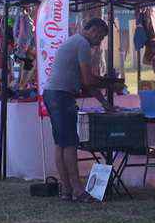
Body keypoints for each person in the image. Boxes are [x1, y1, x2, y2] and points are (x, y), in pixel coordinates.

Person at [43, 18, 114, 202]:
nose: (100, 40)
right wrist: (110, 82)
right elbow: (88, 80)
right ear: (92, 30)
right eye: (100, 35)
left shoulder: (74, 40)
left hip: (52, 94)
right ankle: (77, 190)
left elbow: (86, 83)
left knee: (61, 143)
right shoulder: (82, 44)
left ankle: (66, 190)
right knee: (70, 144)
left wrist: (105, 103)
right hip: (61, 95)